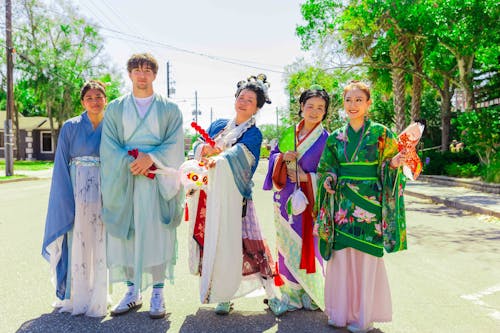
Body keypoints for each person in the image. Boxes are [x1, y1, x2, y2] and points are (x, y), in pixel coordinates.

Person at [315, 81, 407, 333]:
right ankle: (340, 313)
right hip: (342, 207)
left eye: (358, 100)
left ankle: (363, 317)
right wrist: (329, 180)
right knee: (342, 260)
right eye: (348, 100)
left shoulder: (382, 133)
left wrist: (395, 163)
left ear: (368, 103)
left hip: (371, 205)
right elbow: (325, 168)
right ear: (343, 104)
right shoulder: (335, 137)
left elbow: (390, 165)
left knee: (366, 260)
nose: (353, 105)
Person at [190, 74, 286, 316]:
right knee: (219, 245)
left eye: (250, 100)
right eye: (241, 97)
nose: (243, 102)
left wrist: (219, 157)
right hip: (211, 196)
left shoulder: (253, 133)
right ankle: (224, 295)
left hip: (237, 197)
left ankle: (272, 294)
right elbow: (196, 145)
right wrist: (205, 148)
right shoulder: (218, 125)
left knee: (251, 245)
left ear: (257, 107)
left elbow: (241, 158)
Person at [100, 53, 184, 319]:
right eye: (137, 70)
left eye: (148, 70)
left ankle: (158, 292)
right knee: (128, 234)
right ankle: (132, 291)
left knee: (157, 233)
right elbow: (109, 144)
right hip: (126, 179)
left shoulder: (170, 109)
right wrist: (130, 161)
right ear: (130, 74)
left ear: (155, 75)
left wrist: (151, 159)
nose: (142, 74)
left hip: (157, 181)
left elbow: (175, 143)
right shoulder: (114, 108)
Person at [42, 80, 108, 317]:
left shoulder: (111, 125)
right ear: (82, 102)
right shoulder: (70, 127)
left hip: (102, 187)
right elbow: (61, 162)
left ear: (105, 100)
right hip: (76, 188)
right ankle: (75, 295)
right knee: (77, 239)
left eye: (99, 97)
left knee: (99, 239)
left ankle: (98, 293)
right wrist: (64, 196)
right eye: (89, 98)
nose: (94, 101)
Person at [263, 86, 330, 312]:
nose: (314, 111)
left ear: (325, 112)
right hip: (285, 198)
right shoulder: (287, 134)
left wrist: (307, 177)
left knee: (310, 244)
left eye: (320, 108)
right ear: (301, 107)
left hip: (311, 200)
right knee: (286, 243)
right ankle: (290, 295)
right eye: (310, 106)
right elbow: (273, 157)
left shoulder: (326, 140)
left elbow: (331, 173)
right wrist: (282, 158)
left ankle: (311, 293)